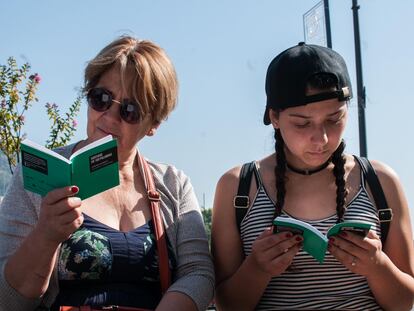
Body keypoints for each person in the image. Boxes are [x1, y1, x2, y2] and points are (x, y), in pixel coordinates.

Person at [0, 36, 214, 311]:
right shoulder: (37, 174)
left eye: (130, 110)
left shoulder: (173, 184)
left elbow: (199, 274)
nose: (110, 118)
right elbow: (9, 301)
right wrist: (45, 236)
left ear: (154, 123)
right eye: (100, 99)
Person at [212, 42, 414, 310]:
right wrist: (257, 269)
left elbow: (404, 302)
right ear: (274, 116)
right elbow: (226, 305)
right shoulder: (238, 186)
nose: (321, 139)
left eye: (334, 119)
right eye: (302, 123)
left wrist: (378, 267)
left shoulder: (380, 181)